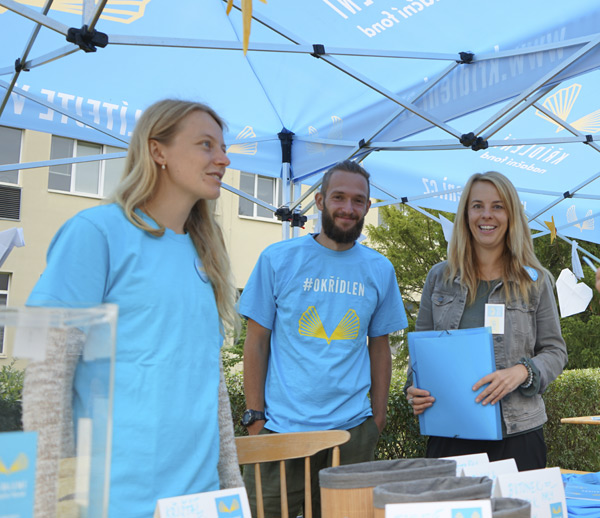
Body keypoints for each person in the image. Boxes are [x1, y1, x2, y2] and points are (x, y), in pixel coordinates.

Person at [27, 99, 243, 517]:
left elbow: (211, 390)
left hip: (198, 502)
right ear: (157, 150)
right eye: (206, 145)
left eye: (222, 147)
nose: (223, 158)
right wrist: (51, 502)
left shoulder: (206, 254)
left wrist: (230, 492)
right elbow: (46, 375)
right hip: (113, 502)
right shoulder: (96, 232)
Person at [239, 159, 408, 517]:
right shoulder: (277, 259)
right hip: (279, 431)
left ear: (367, 206)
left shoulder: (380, 269)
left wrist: (376, 420)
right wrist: (255, 419)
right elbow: (255, 341)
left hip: (351, 434)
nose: (348, 208)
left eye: (358, 200)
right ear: (319, 201)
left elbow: (380, 348)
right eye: (339, 197)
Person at [406, 171, 567, 471]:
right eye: (477, 205)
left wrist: (521, 372)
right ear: (466, 214)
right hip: (449, 431)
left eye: (497, 206)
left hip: (518, 434)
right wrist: (413, 390)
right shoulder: (439, 278)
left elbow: (556, 352)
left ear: (511, 215)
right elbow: (422, 355)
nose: (486, 215)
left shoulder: (535, 280)